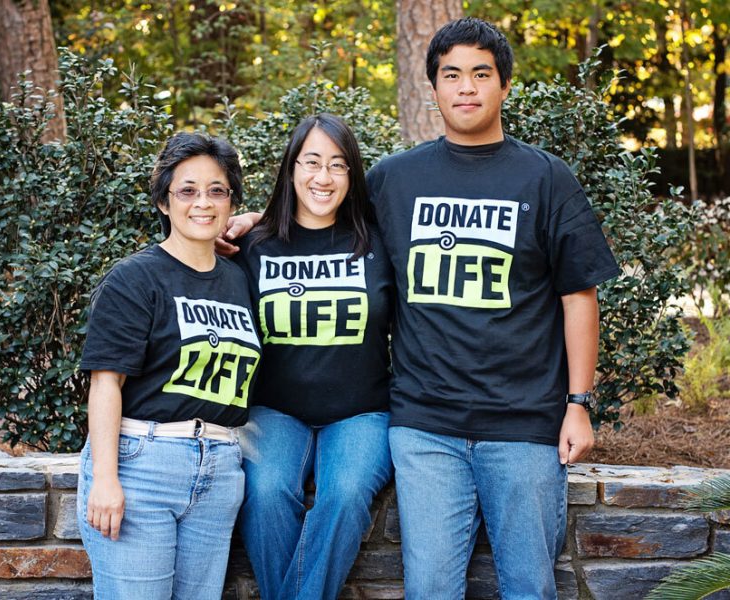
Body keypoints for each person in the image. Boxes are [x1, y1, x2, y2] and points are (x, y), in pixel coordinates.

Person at [362, 17, 621, 599]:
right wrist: (251, 225)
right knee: (430, 589)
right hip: (425, 426)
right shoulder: (393, 180)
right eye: (451, 75)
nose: (466, 88)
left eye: (481, 74)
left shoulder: (545, 177)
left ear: (504, 85)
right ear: (433, 89)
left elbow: (578, 294)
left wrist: (578, 404)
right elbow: (318, 223)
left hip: (524, 425)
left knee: (530, 587)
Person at [77, 132, 261, 600]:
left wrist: (259, 221)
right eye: (188, 191)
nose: (203, 203)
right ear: (164, 202)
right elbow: (105, 385)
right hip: (142, 466)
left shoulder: (239, 280)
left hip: (220, 469)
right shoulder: (135, 278)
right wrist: (105, 479)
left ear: (231, 201)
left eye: (217, 191)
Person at [233, 113, 394, 600]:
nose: (323, 178)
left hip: (362, 411)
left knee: (344, 497)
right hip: (274, 410)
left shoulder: (379, 242)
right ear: (290, 168)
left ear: (352, 175)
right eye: (312, 162)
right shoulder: (252, 247)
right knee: (263, 495)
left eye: (338, 166)